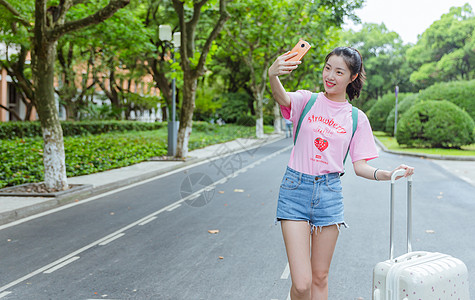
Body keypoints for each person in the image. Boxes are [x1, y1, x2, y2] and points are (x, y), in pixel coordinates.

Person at [268, 46, 414, 300]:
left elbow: (360, 167)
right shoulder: (307, 100)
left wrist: (389, 174)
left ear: (352, 77)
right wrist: (272, 75)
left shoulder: (356, 118)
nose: (330, 76)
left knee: (320, 278)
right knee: (302, 285)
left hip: (329, 193)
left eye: (339, 71)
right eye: (327, 68)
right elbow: (283, 98)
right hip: (294, 189)